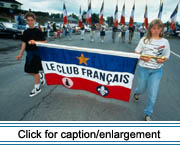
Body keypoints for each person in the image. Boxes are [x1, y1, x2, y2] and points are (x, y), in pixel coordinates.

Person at [134, 19, 170, 121]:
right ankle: (137, 93)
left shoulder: (165, 42)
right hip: (143, 69)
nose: (156, 30)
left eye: (158, 28)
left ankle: (148, 114)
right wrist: (142, 57)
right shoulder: (144, 40)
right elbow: (136, 52)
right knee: (141, 88)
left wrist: (161, 59)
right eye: (154, 28)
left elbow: (166, 56)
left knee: (153, 93)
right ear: (150, 29)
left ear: (161, 29)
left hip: (156, 71)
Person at [16, 12, 47, 97]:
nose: (30, 22)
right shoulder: (25, 32)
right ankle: (40, 76)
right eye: (28, 20)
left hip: (37, 54)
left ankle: (37, 88)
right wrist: (20, 54)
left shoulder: (38, 31)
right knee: (28, 71)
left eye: (31, 20)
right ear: (26, 21)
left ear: (35, 21)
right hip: (29, 53)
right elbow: (24, 44)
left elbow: (45, 42)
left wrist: (35, 42)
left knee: (34, 71)